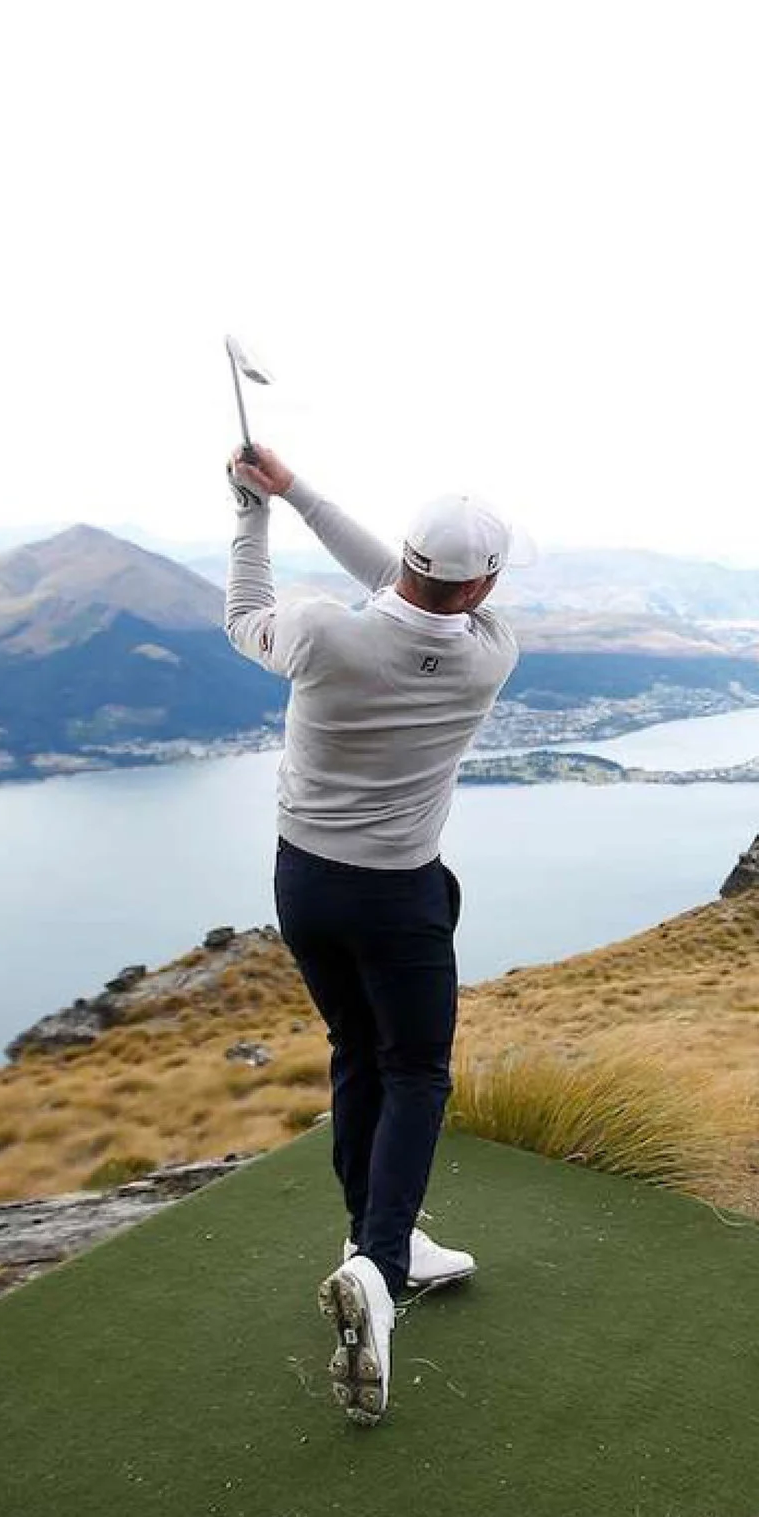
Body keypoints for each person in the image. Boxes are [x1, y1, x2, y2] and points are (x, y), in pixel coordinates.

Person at [221, 444, 528, 1427]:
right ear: (484, 583)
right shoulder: (489, 653)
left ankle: (373, 1240)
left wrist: (259, 511)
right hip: (401, 897)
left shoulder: (318, 636)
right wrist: (295, 487)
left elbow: (246, 615)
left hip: (305, 883)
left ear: (405, 558)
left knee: (355, 1049)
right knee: (416, 1071)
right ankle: (383, 1272)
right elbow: (417, 591)